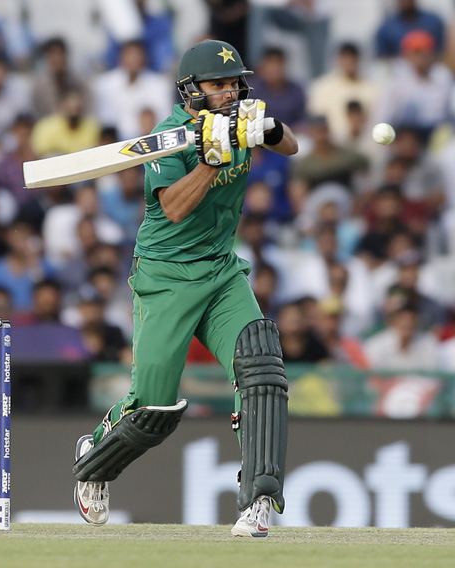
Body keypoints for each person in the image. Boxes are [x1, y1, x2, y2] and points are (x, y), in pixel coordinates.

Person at [72, 39, 298, 538]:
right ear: (192, 91)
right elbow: (174, 207)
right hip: (166, 277)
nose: (232, 92)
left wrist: (267, 128)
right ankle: (94, 463)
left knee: (261, 366)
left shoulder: (239, 120)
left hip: (220, 272)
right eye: (220, 85)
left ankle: (259, 500)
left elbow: (291, 147)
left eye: (236, 82)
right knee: (153, 410)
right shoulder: (168, 135)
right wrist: (211, 161)